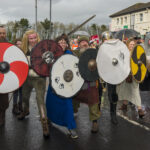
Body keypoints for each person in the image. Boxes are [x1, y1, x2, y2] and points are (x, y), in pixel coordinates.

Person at [17, 30, 50, 138]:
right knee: (25, 97)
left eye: (34, 38)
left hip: (39, 78)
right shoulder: (23, 50)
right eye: (30, 38)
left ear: (37, 38)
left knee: (40, 101)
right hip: (27, 78)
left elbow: (50, 62)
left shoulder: (43, 49)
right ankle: (26, 110)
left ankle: (44, 124)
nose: (33, 40)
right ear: (27, 39)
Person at [46, 34, 78, 139]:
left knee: (67, 106)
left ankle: (70, 127)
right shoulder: (52, 54)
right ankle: (49, 118)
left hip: (66, 85)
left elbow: (75, 68)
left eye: (64, 42)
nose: (63, 44)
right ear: (56, 44)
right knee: (51, 104)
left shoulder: (70, 54)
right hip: (53, 84)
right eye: (60, 42)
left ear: (67, 44)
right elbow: (47, 67)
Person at [73, 36, 101, 133]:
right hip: (77, 83)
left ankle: (94, 121)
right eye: (82, 42)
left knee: (93, 101)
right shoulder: (75, 53)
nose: (84, 43)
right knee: (74, 101)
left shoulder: (93, 53)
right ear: (79, 44)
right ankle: (73, 112)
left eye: (86, 42)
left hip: (90, 82)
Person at [117, 38, 145, 118]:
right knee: (125, 90)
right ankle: (125, 105)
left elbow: (141, 62)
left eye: (133, 44)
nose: (132, 46)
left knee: (135, 92)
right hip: (126, 75)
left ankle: (139, 109)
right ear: (127, 45)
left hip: (134, 76)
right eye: (130, 44)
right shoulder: (124, 53)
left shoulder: (136, 53)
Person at [101, 31, 119, 125]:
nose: (107, 41)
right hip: (101, 75)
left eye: (109, 40)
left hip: (112, 74)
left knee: (113, 95)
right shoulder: (98, 49)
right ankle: (97, 113)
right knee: (99, 93)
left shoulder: (115, 50)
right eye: (105, 40)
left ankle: (113, 114)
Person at [0, 25, 9, 127]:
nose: (2, 35)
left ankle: (2, 115)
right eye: (0, 33)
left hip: (5, 75)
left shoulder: (9, 46)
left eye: (3, 33)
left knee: (4, 101)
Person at [12, 38, 23, 115]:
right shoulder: (12, 53)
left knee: (22, 92)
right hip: (14, 76)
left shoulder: (24, 52)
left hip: (23, 75)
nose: (19, 45)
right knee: (15, 92)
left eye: (20, 44)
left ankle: (20, 106)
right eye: (17, 44)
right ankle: (14, 107)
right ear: (15, 45)